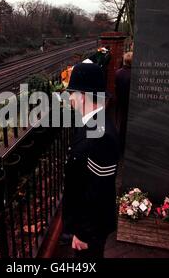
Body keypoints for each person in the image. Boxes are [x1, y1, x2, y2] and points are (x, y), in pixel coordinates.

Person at [62, 63, 120, 258]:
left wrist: (82, 234)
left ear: (83, 96)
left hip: (90, 232)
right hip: (85, 226)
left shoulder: (101, 135)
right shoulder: (90, 123)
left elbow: (98, 192)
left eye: (72, 93)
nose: (69, 98)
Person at [114, 52, 133, 153]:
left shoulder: (118, 73)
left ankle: (120, 144)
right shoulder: (135, 74)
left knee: (120, 121)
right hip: (130, 100)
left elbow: (116, 87)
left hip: (120, 99)